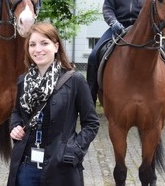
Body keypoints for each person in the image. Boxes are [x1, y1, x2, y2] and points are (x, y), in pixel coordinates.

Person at [7, 22, 99, 186]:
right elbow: (17, 113)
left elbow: (91, 123)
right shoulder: (23, 81)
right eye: (32, 45)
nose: (38, 49)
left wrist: (74, 150)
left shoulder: (75, 80)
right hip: (25, 167)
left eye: (44, 43)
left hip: (60, 168)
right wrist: (15, 126)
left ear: (56, 46)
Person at [86, 0, 165, 115]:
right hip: (119, 27)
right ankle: (89, 102)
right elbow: (108, 9)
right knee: (93, 55)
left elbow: (156, 7)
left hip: (145, 28)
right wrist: (114, 23)